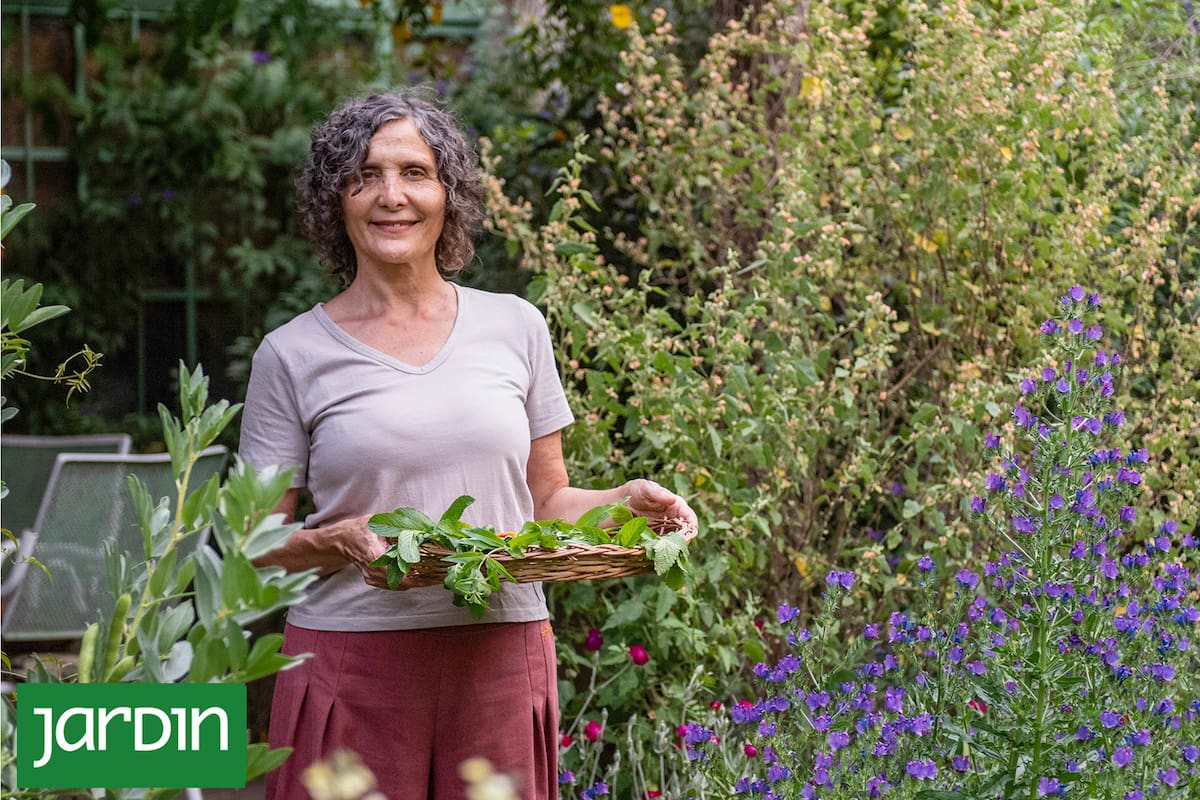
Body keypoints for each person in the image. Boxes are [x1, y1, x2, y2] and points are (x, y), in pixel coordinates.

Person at [238, 89, 698, 800]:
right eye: (364, 176)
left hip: (499, 650)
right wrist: (338, 541)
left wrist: (624, 503)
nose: (391, 196)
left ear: (449, 195)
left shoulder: (515, 327)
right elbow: (256, 546)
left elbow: (547, 502)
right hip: (351, 659)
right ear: (336, 201)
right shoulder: (291, 354)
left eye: (414, 173)